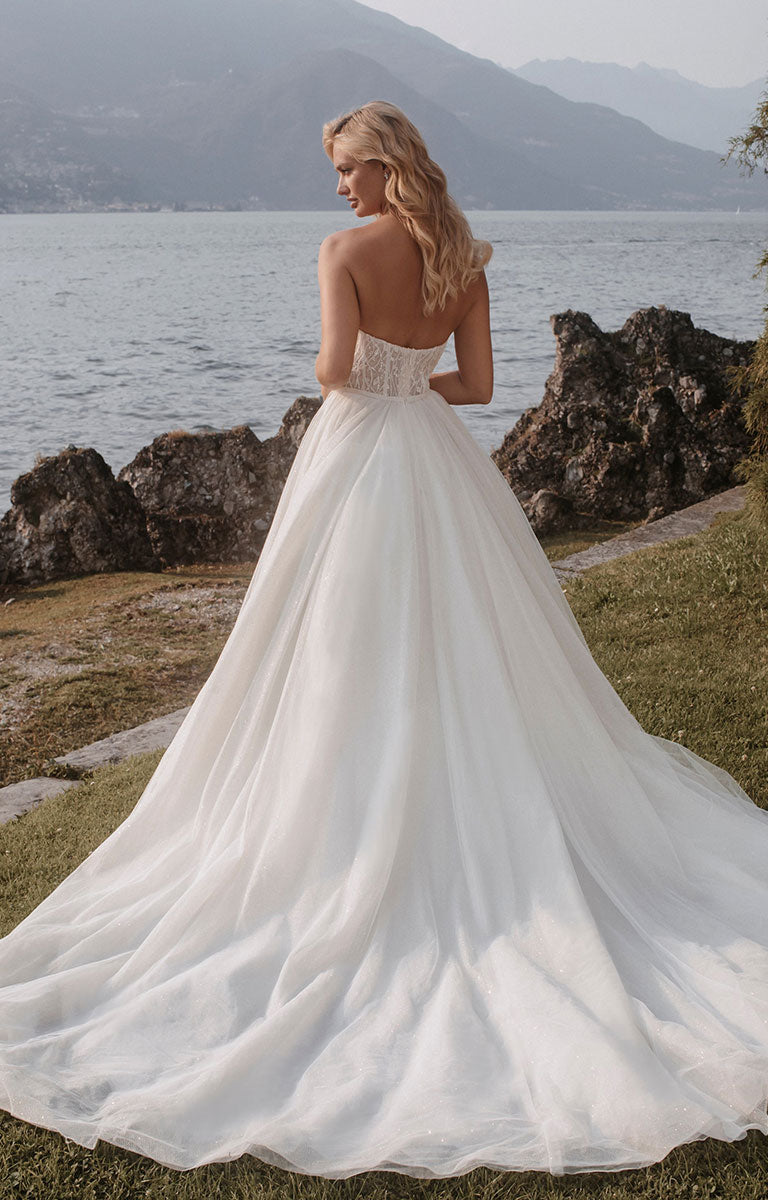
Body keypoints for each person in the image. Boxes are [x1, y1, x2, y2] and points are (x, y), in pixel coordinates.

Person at [0, 99, 766, 1183]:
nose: (341, 186)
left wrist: (372, 367)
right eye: (339, 173)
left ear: (385, 164)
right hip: (439, 460)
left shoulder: (342, 252)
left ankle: (350, 816)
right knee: (465, 639)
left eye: (350, 167)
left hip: (360, 461)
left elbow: (330, 369)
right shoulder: (463, 254)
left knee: (338, 647)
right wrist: (418, 378)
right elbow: (484, 387)